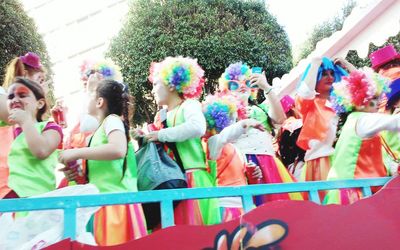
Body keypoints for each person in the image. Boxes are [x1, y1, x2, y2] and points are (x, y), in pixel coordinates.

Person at [59, 80, 147, 246]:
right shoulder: (99, 131)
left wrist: (76, 152)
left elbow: (118, 149)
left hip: (116, 206)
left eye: (91, 95)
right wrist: (77, 174)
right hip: (104, 205)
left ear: (100, 101)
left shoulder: (112, 120)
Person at [144, 56, 221, 225]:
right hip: (173, 181)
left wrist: (160, 135)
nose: (153, 90)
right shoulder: (161, 116)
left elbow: (197, 127)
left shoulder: (189, 105)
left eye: (156, 84)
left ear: (172, 84)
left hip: (193, 178)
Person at [220, 62, 303, 203]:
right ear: (226, 89)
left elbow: (280, 119)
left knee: (278, 212)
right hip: (241, 165)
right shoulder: (223, 112)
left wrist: (266, 87)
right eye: (234, 84)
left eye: (246, 81)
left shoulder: (262, 109)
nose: (241, 86)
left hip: (269, 165)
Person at [324, 68, 395, 205]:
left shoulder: (353, 120)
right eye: (374, 98)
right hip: (356, 195)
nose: (378, 103)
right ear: (362, 100)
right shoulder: (364, 120)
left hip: (346, 191)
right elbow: (395, 122)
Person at [202, 93, 263, 222]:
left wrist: (253, 176)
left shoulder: (237, 149)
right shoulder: (213, 144)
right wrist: (245, 123)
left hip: (244, 206)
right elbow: (225, 136)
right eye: (233, 119)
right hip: (224, 207)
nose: (235, 121)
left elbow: (246, 181)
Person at [4, 77, 62, 198]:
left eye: (22, 95)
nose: (15, 100)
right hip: (6, 207)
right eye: (10, 97)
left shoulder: (50, 127)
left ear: (40, 103)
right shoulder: (4, 133)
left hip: (36, 205)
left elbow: (42, 150)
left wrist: (26, 121)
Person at [295, 57, 349, 183]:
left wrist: (347, 65)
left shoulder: (343, 102)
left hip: (345, 158)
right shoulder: (309, 104)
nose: (330, 77)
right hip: (321, 161)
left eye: (332, 73)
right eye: (324, 74)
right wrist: (314, 65)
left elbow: (365, 91)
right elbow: (305, 92)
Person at [277, 95, 305, 180]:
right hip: (302, 168)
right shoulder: (299, 124)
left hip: (289, 172)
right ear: (293, 107)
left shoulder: (280, 130)